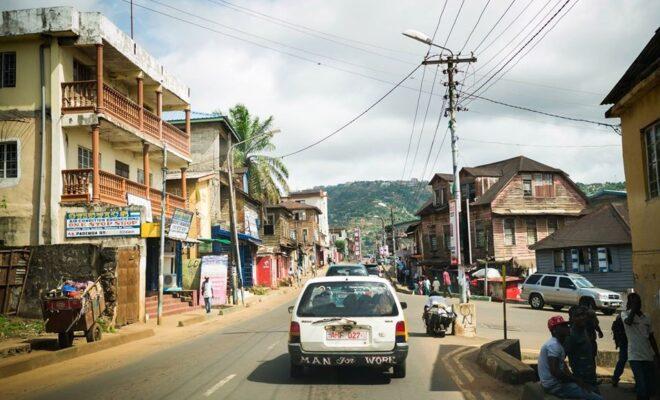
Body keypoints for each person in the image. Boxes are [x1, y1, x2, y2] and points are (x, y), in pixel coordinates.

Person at [537, 315, 602, 400]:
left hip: (554, 384)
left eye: (566, 325)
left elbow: (562, 364)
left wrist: (574, 379)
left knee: (589, 390)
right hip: (555, 386)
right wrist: (575, 380)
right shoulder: (554, 346)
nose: (567, 327)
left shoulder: (558, 344)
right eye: (562, 326)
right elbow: (555, 371)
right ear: (555, 330)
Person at [622, 293, 659, 400]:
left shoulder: (647, 317)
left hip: (647, 356)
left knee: (648, 387)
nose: (637, 304)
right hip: (635, 356)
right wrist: (633, 309)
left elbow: (651, 337)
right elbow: (628, 322)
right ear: (629, 303)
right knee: (641, 385)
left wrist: (657, 354)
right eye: (634, 302)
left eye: (638, 302)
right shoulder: (624, 314)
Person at [565, 306, 598, 393]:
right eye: (578, 315)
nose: (582, 317)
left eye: (583, 315)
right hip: (582, 379)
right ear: (571, 319)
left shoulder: (584, 330)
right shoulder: (571, 336)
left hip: (591, 375)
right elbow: (560, 360)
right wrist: (575, 379)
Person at [611, 311, 628, 387]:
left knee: (622, 360)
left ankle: (615, 378)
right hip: (625, 342)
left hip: (624, 342)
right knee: (623, 360)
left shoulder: (621, 315)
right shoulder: (623, 315)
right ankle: (615, 378)